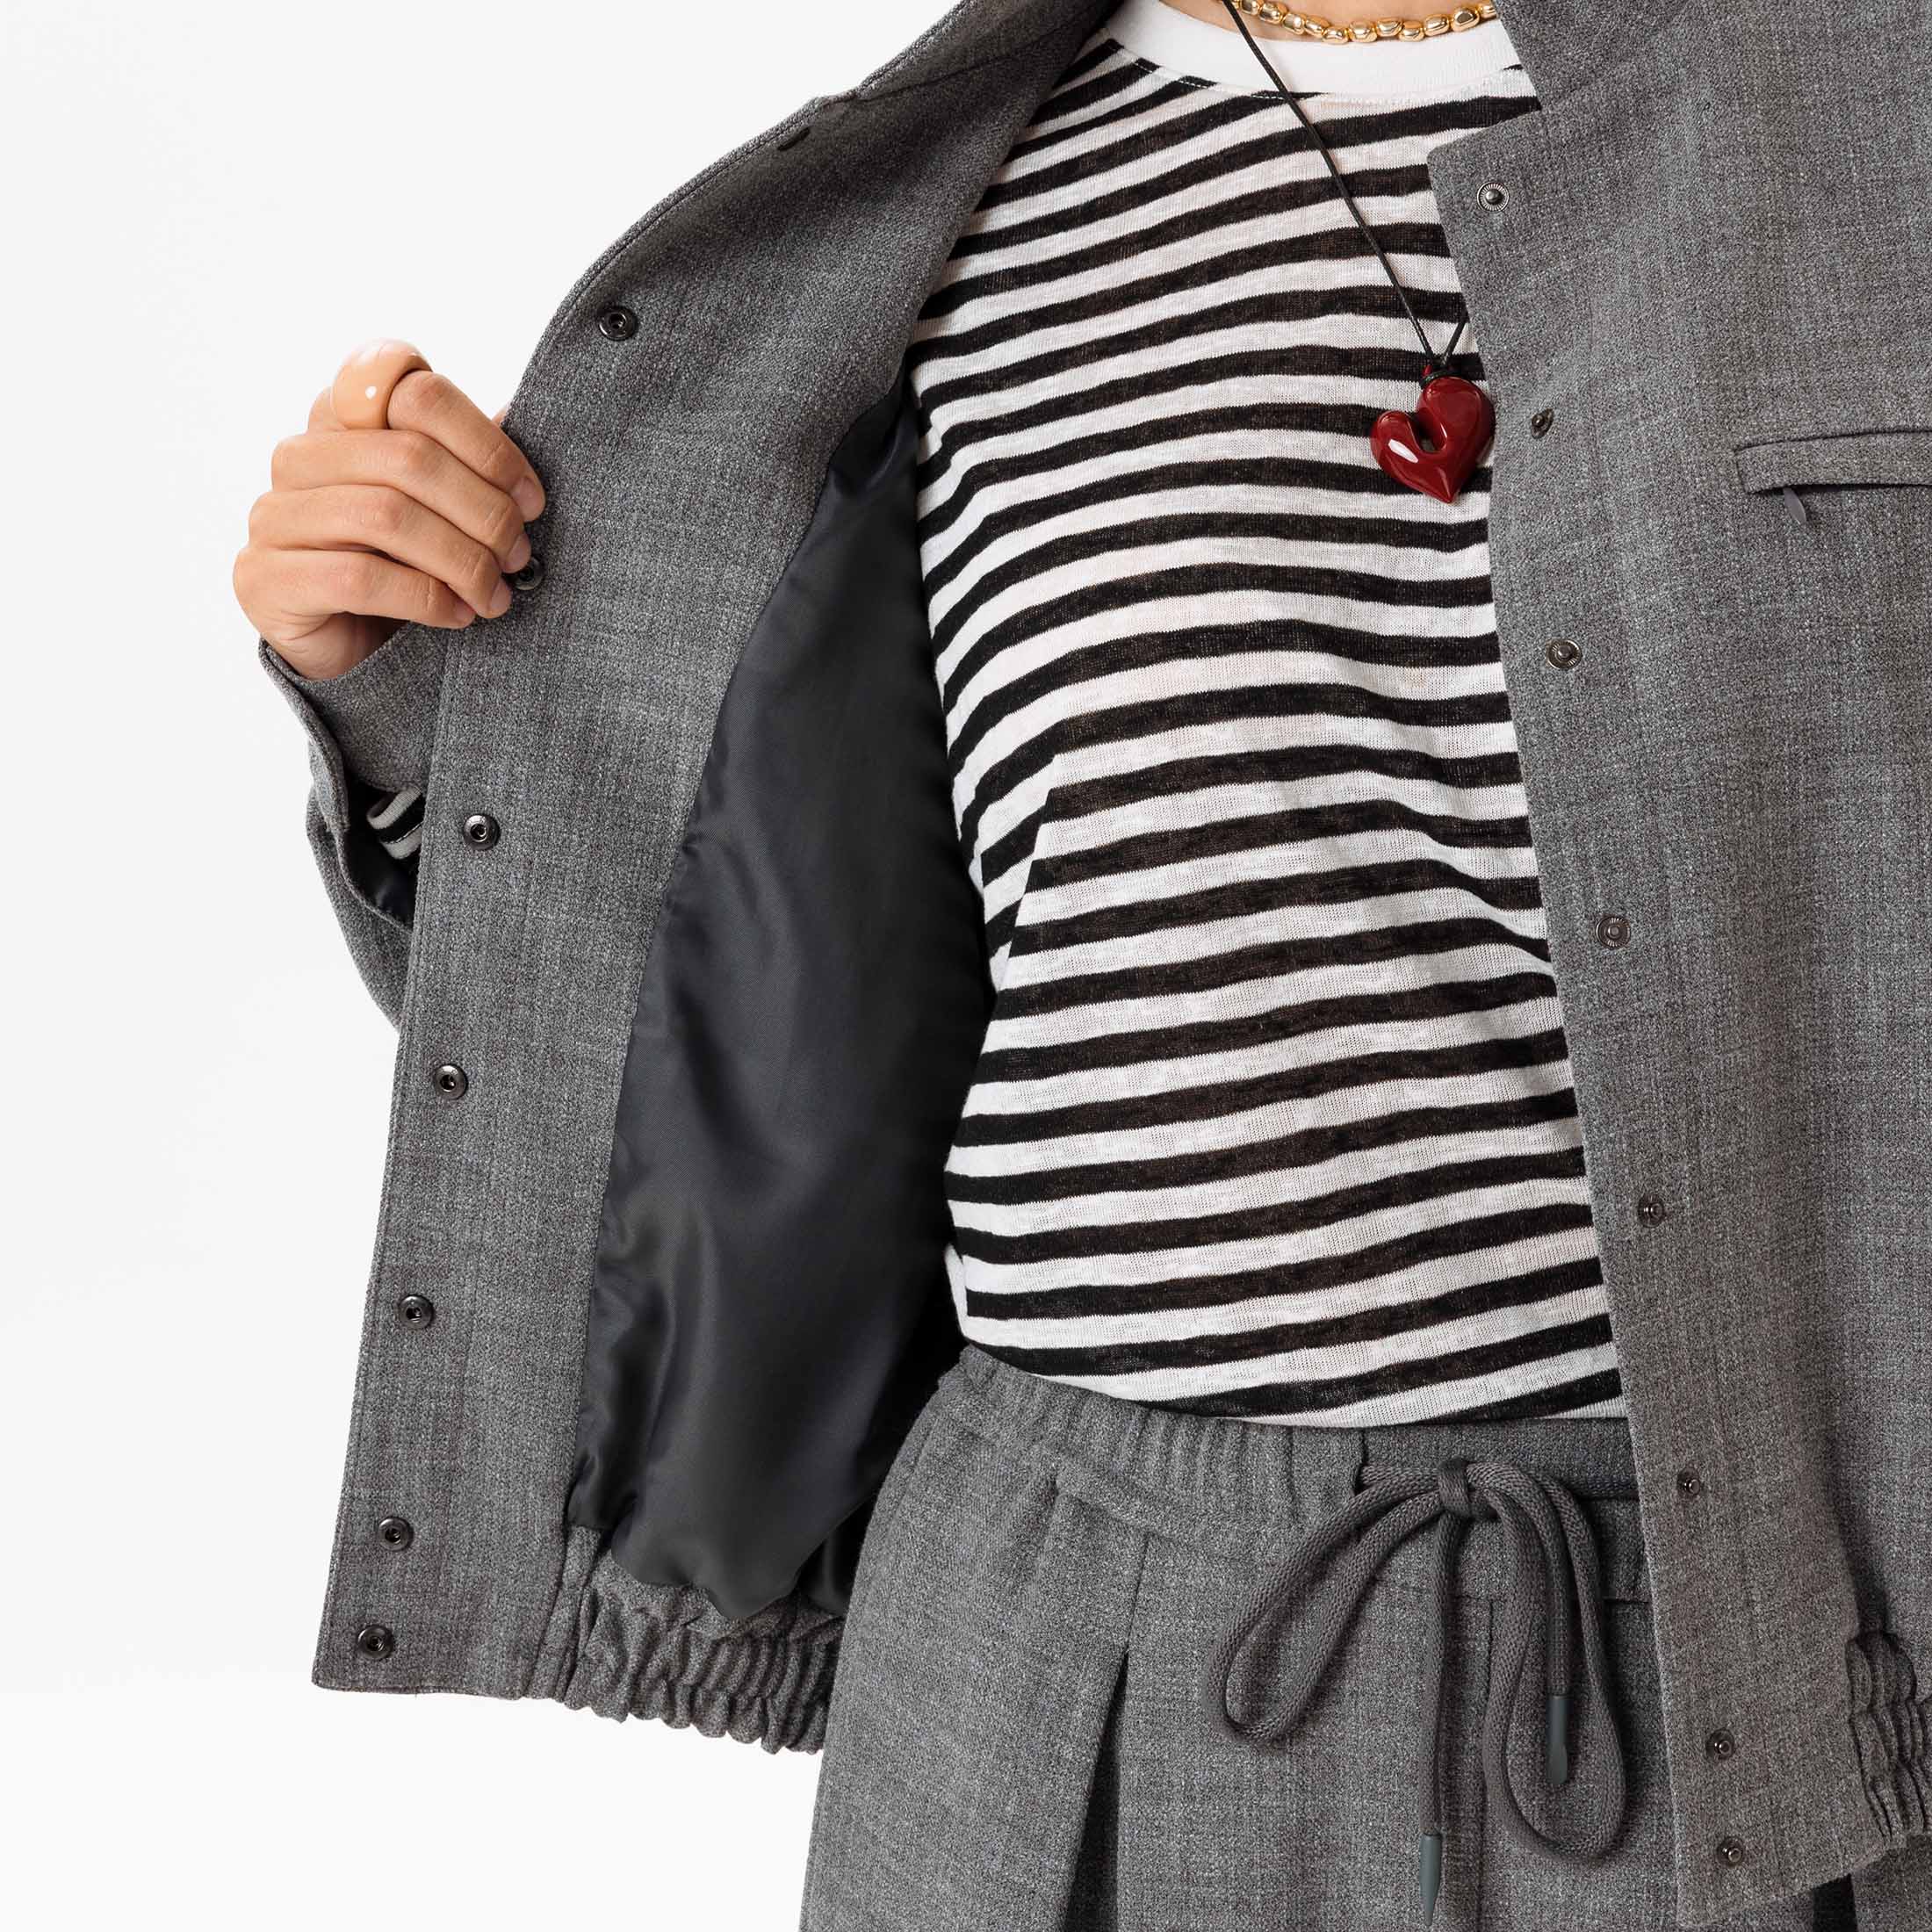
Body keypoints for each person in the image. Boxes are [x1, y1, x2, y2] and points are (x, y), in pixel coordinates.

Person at [234, 2, 1932, 1927]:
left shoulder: (1861, 112)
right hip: (1046, 1645)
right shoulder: (929, 215)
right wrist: (399, 674)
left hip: (1756, 1629)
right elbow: (706, 987)